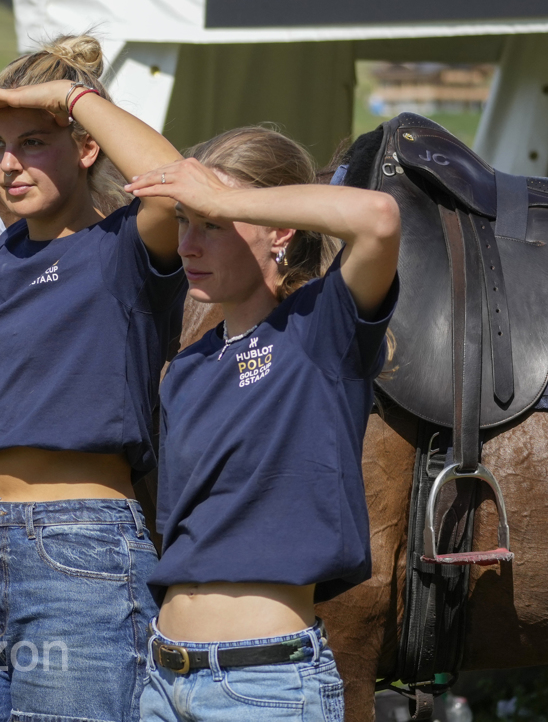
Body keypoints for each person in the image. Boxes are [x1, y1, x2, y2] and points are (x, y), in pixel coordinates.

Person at [0, 36, 186, 722]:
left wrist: (72, 97)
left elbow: (178, 185)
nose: (9, 165)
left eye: (33, 142)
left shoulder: (121, 247)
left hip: (85, 555)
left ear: (86, 147)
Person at [124, 126, 401, 722]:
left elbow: (378, 217)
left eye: (212, 225)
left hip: (263, 687)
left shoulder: (320, 329)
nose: (189, 246)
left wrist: (223, 197)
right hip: (163, 679)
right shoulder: (190, 366)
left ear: (279, 230)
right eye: (184, 222)